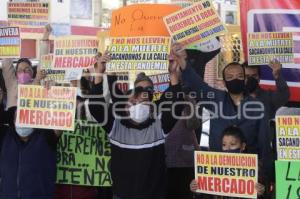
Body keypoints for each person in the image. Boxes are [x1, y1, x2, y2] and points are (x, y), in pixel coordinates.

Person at [87, 44, 184, 199]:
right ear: (125, 106)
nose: (138, 104)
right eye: (133, 100)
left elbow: (177, 107)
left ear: (151, 104)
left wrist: (173, 74)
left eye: (143, 100)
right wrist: (99, 73)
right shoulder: (116, 126)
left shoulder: (158, 128)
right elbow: (95, 106)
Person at [174, 43, 273, 182]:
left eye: (239, 76)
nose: (235, 79)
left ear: (245, 79)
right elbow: (197, 85)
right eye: (230, 76)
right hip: (219, 174)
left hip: (248, 176)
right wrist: (183, 61)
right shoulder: (215, 98)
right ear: (225, 81)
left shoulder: (258, 107)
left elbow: (264, 143)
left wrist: (266, 178)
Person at [190, 126, 266, 199]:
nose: (228, 148)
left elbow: (260, 193)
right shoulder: (213, 165)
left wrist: (259, 193)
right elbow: (207, 195)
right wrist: (197, 190)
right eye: (224, 145)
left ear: (242, 146)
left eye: (232, 144)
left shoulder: (255, 167)